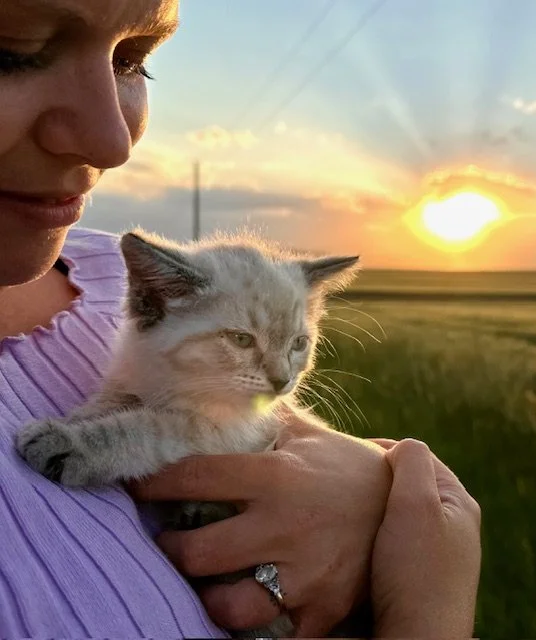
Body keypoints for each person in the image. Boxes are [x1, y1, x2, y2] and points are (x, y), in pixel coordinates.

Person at [0, 0, 481, 637]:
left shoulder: (98, 266)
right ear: (155, 302)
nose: (112, 142)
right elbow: (189, 427)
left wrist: (372, 488)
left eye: (133, 60)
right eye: (12, 50)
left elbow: (250, 425)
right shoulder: (156, 293)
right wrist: (427, 612)